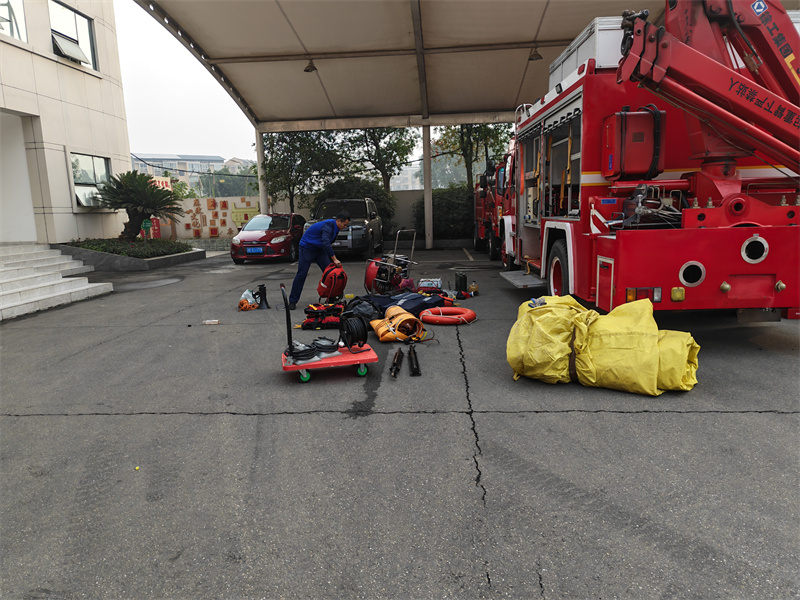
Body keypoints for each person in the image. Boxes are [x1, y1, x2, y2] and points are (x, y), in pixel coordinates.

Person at [287, 211, 350, 309]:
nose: (345, 227)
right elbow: (326, 242)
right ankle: (292, 301)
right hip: (307, 248)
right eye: (344, 225)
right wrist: (334, 259)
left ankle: (332, 297)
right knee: (302, 274)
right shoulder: (328, 226)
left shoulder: (336, 227)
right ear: (338, 221)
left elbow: (327, 243)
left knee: (331, 274)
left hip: (320, 250)